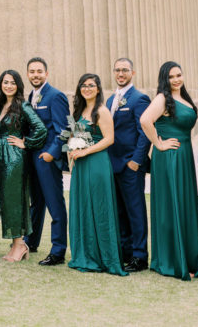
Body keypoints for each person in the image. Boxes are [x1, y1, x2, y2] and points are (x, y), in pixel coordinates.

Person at [140, 61, 198, 280]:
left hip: (184, 155)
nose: (176, 79)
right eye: (171, 77)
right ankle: (172, 260)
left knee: (184, 204)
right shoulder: (162, 98)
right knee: (172, 204)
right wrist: (158, 144)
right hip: (170, 157)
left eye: (179, 75)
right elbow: (145, 120)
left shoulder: (184, 98)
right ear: (164, 79)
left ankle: (187, 258)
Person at [66, 73, 127, 276]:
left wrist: (85, 151)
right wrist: (72, 152)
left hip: (97, 163)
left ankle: (104, 257)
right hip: (81, 166)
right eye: (83, 85)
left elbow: (109, 139)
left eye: (91, 85)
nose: (87, 88)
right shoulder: (78, 110)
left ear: (98, 89)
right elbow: (72, 135)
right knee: (82, 207)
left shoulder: (102, 111)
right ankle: (85, 254)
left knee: (99, 208)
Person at [0, 70, 47, 263]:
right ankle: (16, 243)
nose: (8, 86)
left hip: (14, 159)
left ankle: (20, 244)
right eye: (5, 82)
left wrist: (26, 143)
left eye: (12, 83)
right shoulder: (0, 105)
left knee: (15, 201)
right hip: (0, 157)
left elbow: (41, 129)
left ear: (18, 85)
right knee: (6, 201)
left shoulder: (23, 105)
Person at [106, 57, 151, 271]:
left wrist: (136, 161)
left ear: (133, 73)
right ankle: (125, 252)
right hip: (112, 165)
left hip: (130, 165)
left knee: (135, 211)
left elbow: (144, 133)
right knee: (120, 211)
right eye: (117, 70)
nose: (121, 74)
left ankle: (140, 256)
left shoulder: (139, 99)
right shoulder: (109, 101)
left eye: (125, 70)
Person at [23, 57, 69, 266]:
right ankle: (31, 242)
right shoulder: (29, 97)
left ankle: (58, 250)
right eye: (32, 72)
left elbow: (63, 130)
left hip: (47, 159)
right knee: (36, 203)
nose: (35, 75)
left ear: (47, 73)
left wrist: (51, 153)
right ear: (27, 75)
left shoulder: (56, 96)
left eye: (39, 71)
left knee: (54, 205)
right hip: (31, 159)